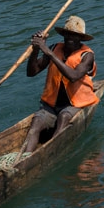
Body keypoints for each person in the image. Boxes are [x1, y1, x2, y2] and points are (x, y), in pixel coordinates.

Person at [23, 15, 99, 153]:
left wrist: (48, 52)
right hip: (51, 106)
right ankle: (25, 157)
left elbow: (73, 77)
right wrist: (36, 50)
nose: (70, 38)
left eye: (74, 35)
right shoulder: (54, 48)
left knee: (63, 117)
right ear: (63, 35)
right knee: (36, 123)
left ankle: (52, 151)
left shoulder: (87, 55)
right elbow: (31, 72)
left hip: (75, 104)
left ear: (80, 38)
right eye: (67, 34)